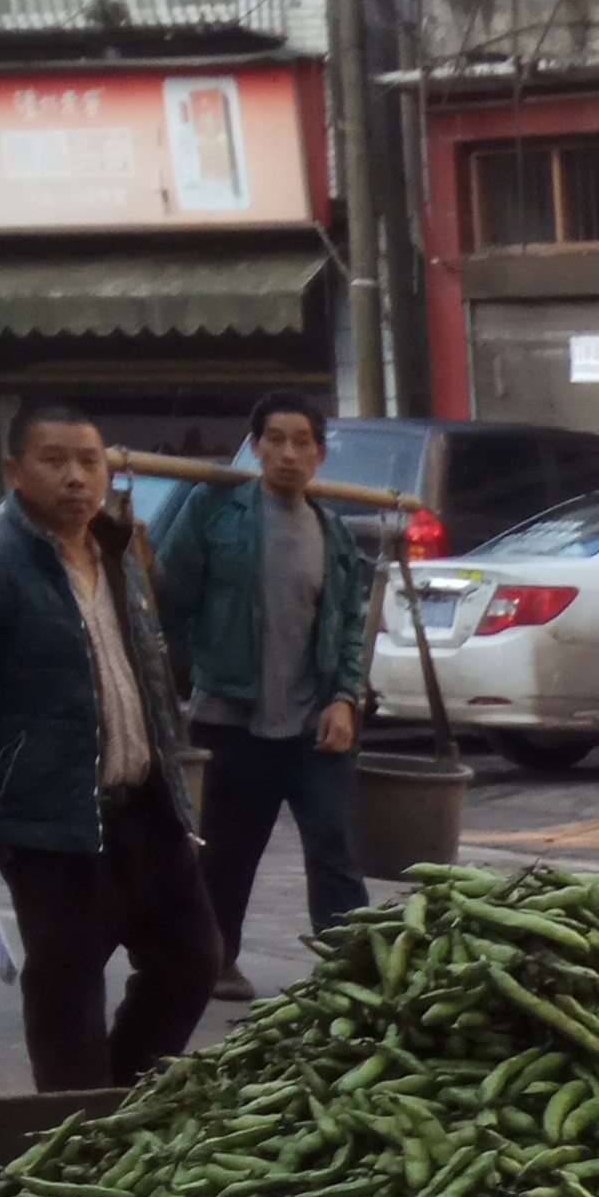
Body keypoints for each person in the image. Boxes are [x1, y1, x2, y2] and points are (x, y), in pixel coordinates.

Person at [0, 400, 214, 1090]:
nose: (76, 477)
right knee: (68, 992)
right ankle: (73, 1131)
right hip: (51, 818)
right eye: (54, 461)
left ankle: (121, 1101)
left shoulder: (120, 550)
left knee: (192, 961)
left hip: (147, 807)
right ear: (16, 471)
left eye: (88, 461)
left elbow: (150, 673)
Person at [155, 389, 372, 996]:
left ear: (320, 454)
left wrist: (344, 697)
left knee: (332, 842)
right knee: (227, 851)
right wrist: (189, 676)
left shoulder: (333, 532)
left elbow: (349, 626)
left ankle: (349, 965)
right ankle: (215, 960)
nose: (287, 454)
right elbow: (169, 600)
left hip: (313, 723)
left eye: (301, 442)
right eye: (275, 440)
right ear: (255, 447)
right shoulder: (215, 512)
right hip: (232, 718)